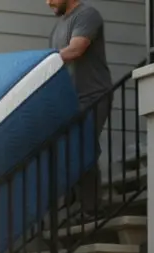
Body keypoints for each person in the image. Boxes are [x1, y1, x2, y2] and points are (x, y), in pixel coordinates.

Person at [47, 0, 112, 218]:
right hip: (70, 100)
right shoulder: (57, 29)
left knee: (84, 146)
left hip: (93, 95)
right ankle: (76, 202)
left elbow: (76, 49)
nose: (48, 3)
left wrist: (46, 61)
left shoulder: (87, 15)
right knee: (69, 149)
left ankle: (92, 209)